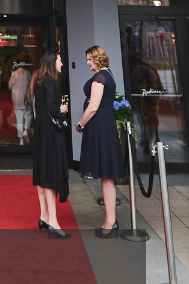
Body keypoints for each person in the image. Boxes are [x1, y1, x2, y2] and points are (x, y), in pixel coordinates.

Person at [76, 45, 123, 239]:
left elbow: (93, 106)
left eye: (89, 59)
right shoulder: (108, 75)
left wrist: (80, 124)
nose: (87, 62)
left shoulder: (99, 78)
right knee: (107, 176)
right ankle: (110, 220)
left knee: (106, 175)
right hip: (106, 127)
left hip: (100, 128)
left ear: (97, 58)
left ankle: (111, 221)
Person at [31, 51, 70, 239]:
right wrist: (62, 108)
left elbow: (40, 107)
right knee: (50, 176)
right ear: (52, 62)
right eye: (60, 60)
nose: (62, 63)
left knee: (42, 174)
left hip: (41, 132)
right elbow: (53, 107)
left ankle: (44, 216)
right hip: (50, 134)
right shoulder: (50, 81)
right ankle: (53, 221)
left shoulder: (40, 81)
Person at [8, 58, 32, 144]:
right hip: (26, 97)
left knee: (19, 118)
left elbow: (10, 86)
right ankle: (26, 131)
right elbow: (31, 85)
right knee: (29, 114)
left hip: (17, 98)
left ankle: (21, 139)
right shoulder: (28, 73)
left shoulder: (14, 74)